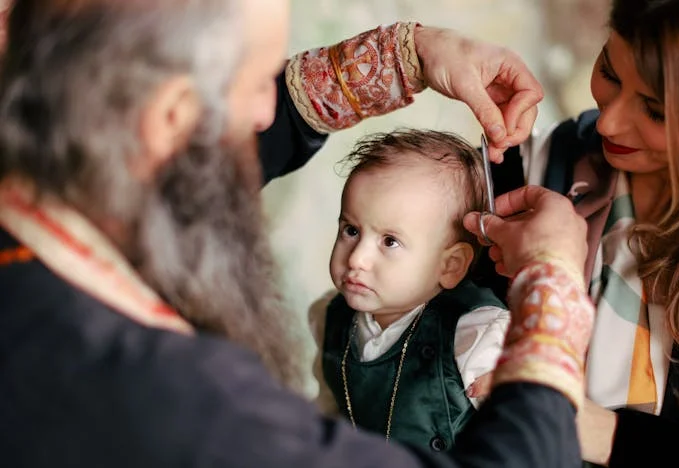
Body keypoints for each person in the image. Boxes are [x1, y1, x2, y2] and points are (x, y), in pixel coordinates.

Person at [0, 1, 595, 467]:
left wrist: (406, 56)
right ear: (172, 119)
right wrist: (553, 274)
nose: (268, 110)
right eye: (261, 79)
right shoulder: (175, 398)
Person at [470, 0, 679, 466]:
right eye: (611, 73)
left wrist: (590, 427)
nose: (609, 122)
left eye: (656, 112)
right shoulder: (538, 167)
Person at [315, 129, 510, 450]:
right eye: (351, 230)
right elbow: (328, 410)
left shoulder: (476, 336)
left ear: (449, 266)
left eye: (390, 241)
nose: (358, 258)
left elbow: (524, 441)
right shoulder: (331, 318)